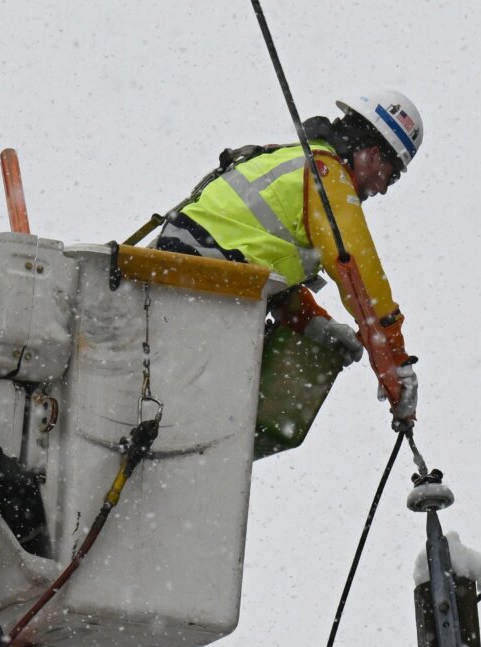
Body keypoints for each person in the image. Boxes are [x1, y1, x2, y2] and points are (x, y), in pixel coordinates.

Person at [153, 92, 424, 454]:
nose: (384, 189)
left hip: (181, 281)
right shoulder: (326, 177)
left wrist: (313, 322)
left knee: (180, 429)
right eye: (391, 175)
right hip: (200, 290)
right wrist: (395, 366)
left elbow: (250, 256)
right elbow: (357, 272)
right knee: (196, 437)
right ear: (373, 155)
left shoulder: (289, 160)